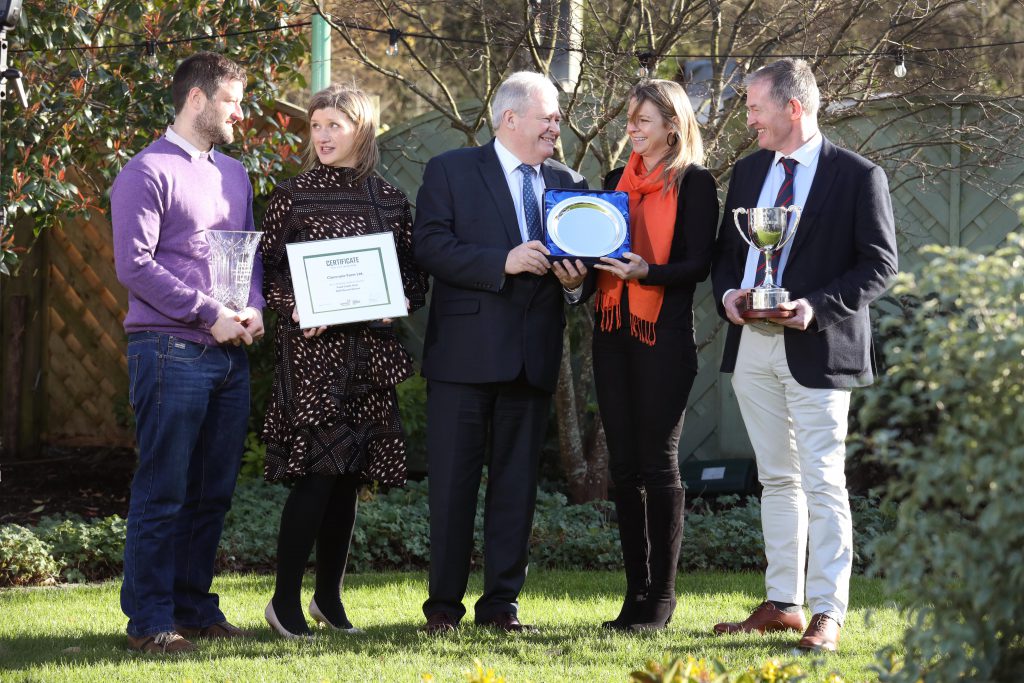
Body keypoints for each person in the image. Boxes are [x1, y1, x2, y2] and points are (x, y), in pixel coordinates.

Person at [710, 58, 898, 652]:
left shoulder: (858, 175)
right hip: (753, 348)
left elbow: (880, 265)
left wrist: (816, 306)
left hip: (819, 347)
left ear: (794, 107)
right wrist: (729, 295)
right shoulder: (746, 173)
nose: (749, 117)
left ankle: (827, 612)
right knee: (776, 478)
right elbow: (725, 256)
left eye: (755, 106)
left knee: (822, 480)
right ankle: (782, 602)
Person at [413, 71, 588, 634]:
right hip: (463, 358)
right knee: (453, 487)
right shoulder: (451, 170)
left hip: (532, 360)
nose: (556, 125)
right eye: (548, 116)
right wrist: (501, 261)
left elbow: (586, 270)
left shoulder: (568, 181)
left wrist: (575, 283)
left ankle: (500, 607)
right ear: (509, 119)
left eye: (557, 117)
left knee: (516, 490)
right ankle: (442, 608)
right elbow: (430, 246)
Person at [259, 85, 429, 638]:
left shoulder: (390, 200)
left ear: (362, 129)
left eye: (335, 125)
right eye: (316, 126)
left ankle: (328, 600)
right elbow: (268, 275)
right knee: (317, 475)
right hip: (313, 357)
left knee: (349, 476)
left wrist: (395, 302)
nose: (324, 136)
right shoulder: (292, 196)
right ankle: (283, 602)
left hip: (369, 360)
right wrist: (297, 304)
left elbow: (413, 278)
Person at [111, 51, 264, 654]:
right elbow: (135, 266)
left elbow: (243, 257)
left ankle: (195, 607)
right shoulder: (145, 172)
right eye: (233, 100)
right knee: (164, 488)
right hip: (169, 350)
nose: (240, 113)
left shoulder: (234, 174)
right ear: (197, 99)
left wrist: (251, 308)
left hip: (230, 354)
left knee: (212, 491)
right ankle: (149, 620)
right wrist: (210, 314)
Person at [590, 79, 719, 631]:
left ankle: (661, 600)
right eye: (630, 119)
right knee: (622, 468)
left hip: (663, 337)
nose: (633, 129)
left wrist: (649, 272)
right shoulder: (609, 185)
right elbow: (591, 254)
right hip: (611, 332)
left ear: (672, 124)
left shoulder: (694, 183)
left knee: (657, 464)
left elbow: (699, 265)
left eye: (643, 120)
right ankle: (633, 595)